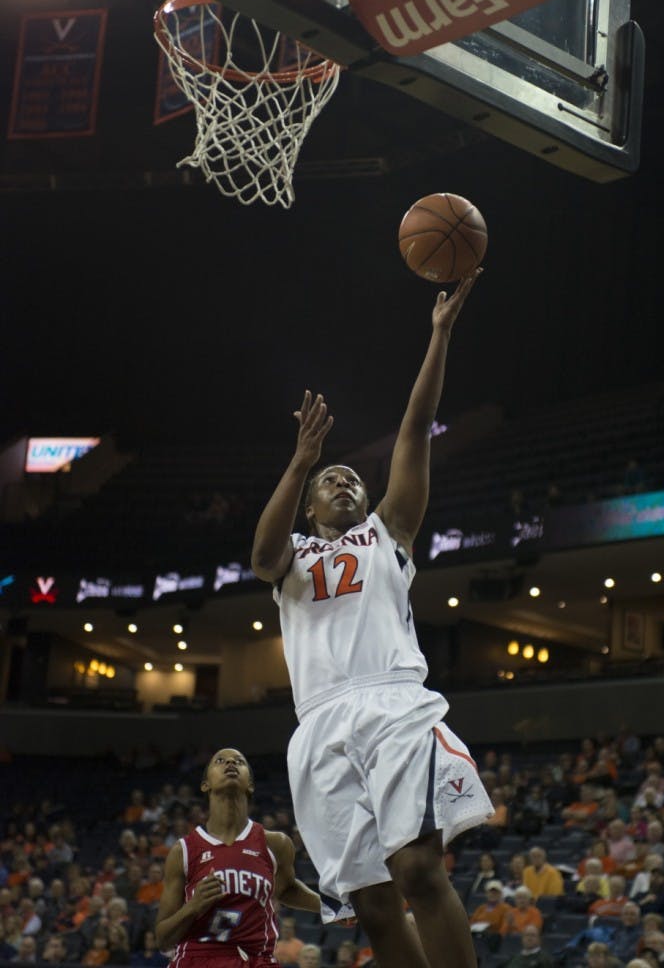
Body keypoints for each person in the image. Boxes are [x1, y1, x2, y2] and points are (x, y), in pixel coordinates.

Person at [250, 271, 492, 968]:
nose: (345, 480)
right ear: (310, 505)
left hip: (390, 704)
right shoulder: (291, 553)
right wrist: (300, 462)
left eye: (353, 477)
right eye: (333, 479)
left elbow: (415, 428)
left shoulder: (390, 530)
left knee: (418, 870)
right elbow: (261, 556)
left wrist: (439, 334)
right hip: (319, 723)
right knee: (376, 908)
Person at [155, 747, 321, 968]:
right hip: (199, 958)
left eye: (239, 761)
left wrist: (330, 907)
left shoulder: (275, 844)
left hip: (257, 959)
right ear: (206, 784)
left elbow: (285, 889)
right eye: (220, 761)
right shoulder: (183, 850)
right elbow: (163, 938)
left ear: (250, 784)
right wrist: (193, 906)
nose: (230, 764)